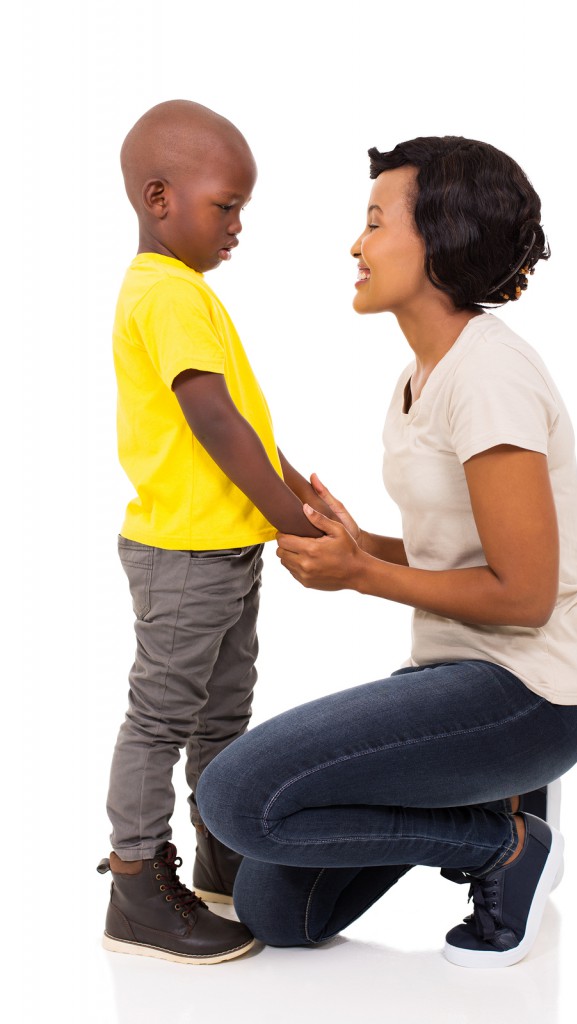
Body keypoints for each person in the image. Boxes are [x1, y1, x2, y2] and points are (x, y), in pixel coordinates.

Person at [196, 136, 577, 968]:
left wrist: (363, 575)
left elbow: (524, 595)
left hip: (527, 694)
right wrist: (363, 550)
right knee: (276, 911)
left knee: (236, 799)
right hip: (453, 678)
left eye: (376, 222)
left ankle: (502, 845)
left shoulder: (488, 376)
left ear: (441, 236)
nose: (356, 244)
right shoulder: (421, 375)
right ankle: (507, 808)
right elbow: (459, 553)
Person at [98, 99, 331, 965]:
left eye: (242, 210)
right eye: (225, 205)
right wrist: (290, 521)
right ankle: (134, 886)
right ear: (160, 198)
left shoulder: (182, 292)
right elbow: (212, 423)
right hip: (184, 555)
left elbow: (247, 423)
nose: (238, 226)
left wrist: (297, 497)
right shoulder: (165, 294)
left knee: (222, 718)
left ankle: (219, 857)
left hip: (222, 548)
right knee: (161, 720)